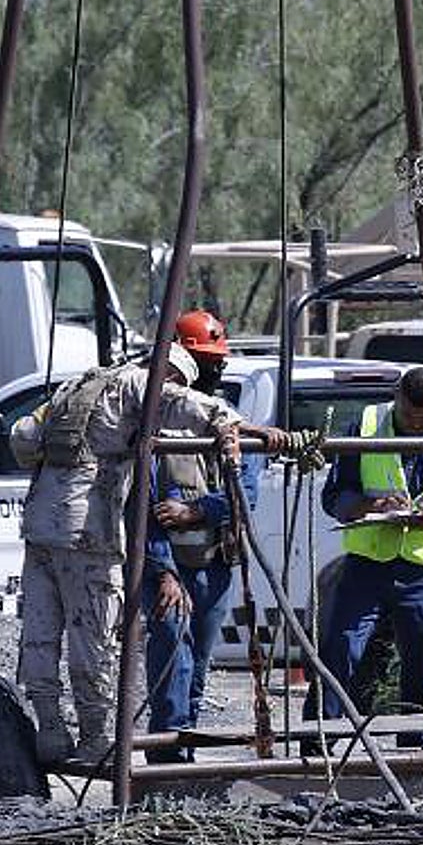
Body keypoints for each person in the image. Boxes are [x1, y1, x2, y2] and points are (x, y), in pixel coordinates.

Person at [10, 342, 241, 766]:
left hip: (40, 527)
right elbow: (192, 408)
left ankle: (51, 734)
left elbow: (23, 436)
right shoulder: (142, 385)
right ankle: (96, 742)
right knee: (91, 640)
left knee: (40, 639)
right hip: (87, 536)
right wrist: (230, 426)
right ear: (170, 374)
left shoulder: (78, 384)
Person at [311, 367, 423, 749]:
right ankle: (316, 744)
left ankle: (418, 750)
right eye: (410, 417)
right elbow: (335, 496)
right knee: (340, 649)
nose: (417, 426)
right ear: (397, 397)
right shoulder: (365, 425)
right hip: (367, 564)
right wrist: (367, 505)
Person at [141, 309, 276, 764]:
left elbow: (246, 492)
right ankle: (166, 757)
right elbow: (143, 509)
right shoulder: (152, 429)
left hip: (216, 560)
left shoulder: (229, 425)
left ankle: (186, 751)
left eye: (217, 363)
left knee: (196, 664)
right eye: (206, 362)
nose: (214, 372)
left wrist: (196, 510)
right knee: (172, 662)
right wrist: (161, 571)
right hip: (172, 568)